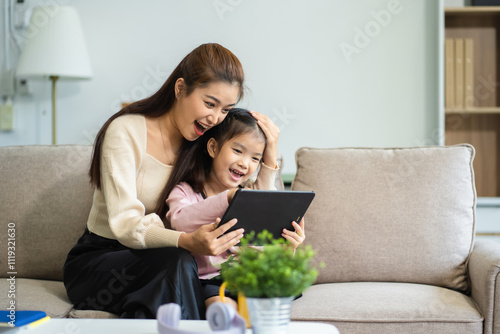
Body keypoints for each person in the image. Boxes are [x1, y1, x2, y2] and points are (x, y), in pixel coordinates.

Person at [62, 43, 279, 320]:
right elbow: (125, 225)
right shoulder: (126, 131)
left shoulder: (204, 141)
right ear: (180, 89)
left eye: (225, 109)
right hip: (102, 260)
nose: (215, 118)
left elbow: (251, 205)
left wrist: (269, 155)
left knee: (181, 268)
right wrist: (186, 240)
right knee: (178, 262)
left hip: (168, 259)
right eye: (209, 103)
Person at [164, 108, 305, 310]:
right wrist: (228, 198)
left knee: (266, 298)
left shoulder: (250, 194)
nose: (244, 163)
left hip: (249, 277)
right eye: (238, 151)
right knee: (220, 306)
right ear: (213, 148)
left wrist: (288, 248)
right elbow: (180, 221)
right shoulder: (185, 191)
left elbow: (266, 202)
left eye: (255, 158)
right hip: (211, 282)